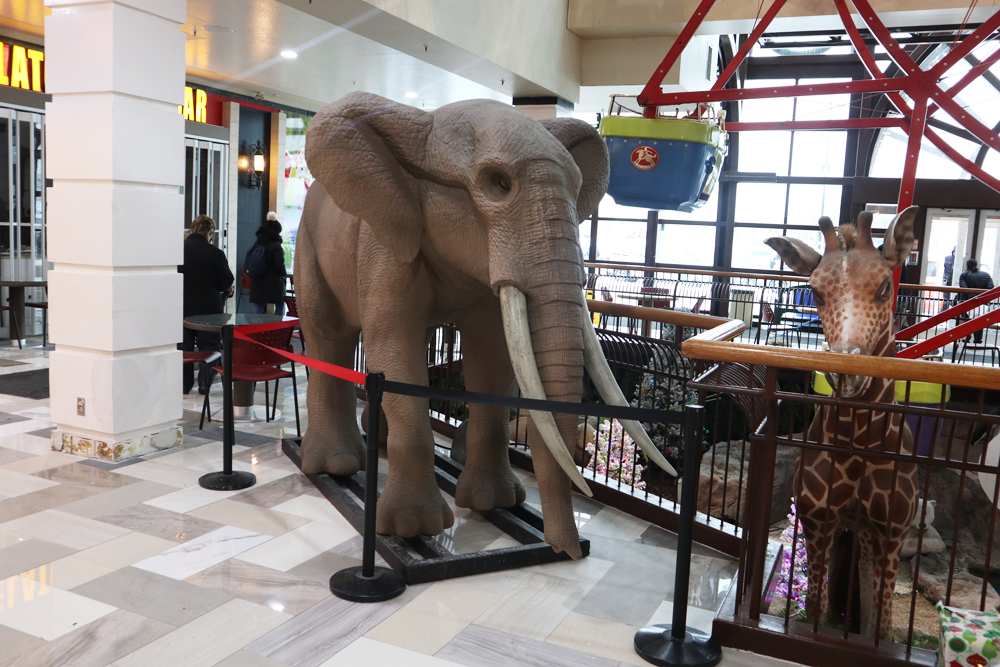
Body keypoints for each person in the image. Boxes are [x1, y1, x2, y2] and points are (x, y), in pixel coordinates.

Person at [182, 215, 234, 394]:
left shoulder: (179, 250)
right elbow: (226, 281)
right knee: (209, 346)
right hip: (209, 309)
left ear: (192, 229)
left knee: (184, 347)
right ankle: (204, 383)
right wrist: (228, 289)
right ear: (209, 232)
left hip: (182, 307)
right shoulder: (215, 253)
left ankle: (184, 385)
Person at [247, 211, 287, 316]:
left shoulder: (257, 244)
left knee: (259, 305)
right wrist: (284, 274)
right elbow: (279, 265)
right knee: (280, 304)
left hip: (257, 281)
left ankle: (255, 325)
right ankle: (277, 325)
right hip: (273, 283)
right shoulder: (276, 246)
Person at [958, 258, 994, 343]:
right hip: (982, 302)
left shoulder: (964, 275)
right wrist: (980, 295)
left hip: (967, 301)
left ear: (967, 265)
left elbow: (964, 288)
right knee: (979, 320)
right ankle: (978, 339)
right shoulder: (986, 275)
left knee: (966, 320)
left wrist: (972, 295)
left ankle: (966, 338)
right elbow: (991, 286)